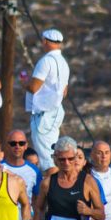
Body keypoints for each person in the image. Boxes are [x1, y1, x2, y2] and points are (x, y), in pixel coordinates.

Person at [23, 29, 70, 172]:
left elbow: (33, 87)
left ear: (45, 41)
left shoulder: (46, 61)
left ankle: (52, 190)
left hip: (44, 114)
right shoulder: (64, 63)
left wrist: (24, 81)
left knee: (47, 160)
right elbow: (65, 92)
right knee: (53, 153)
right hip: (56, 112)